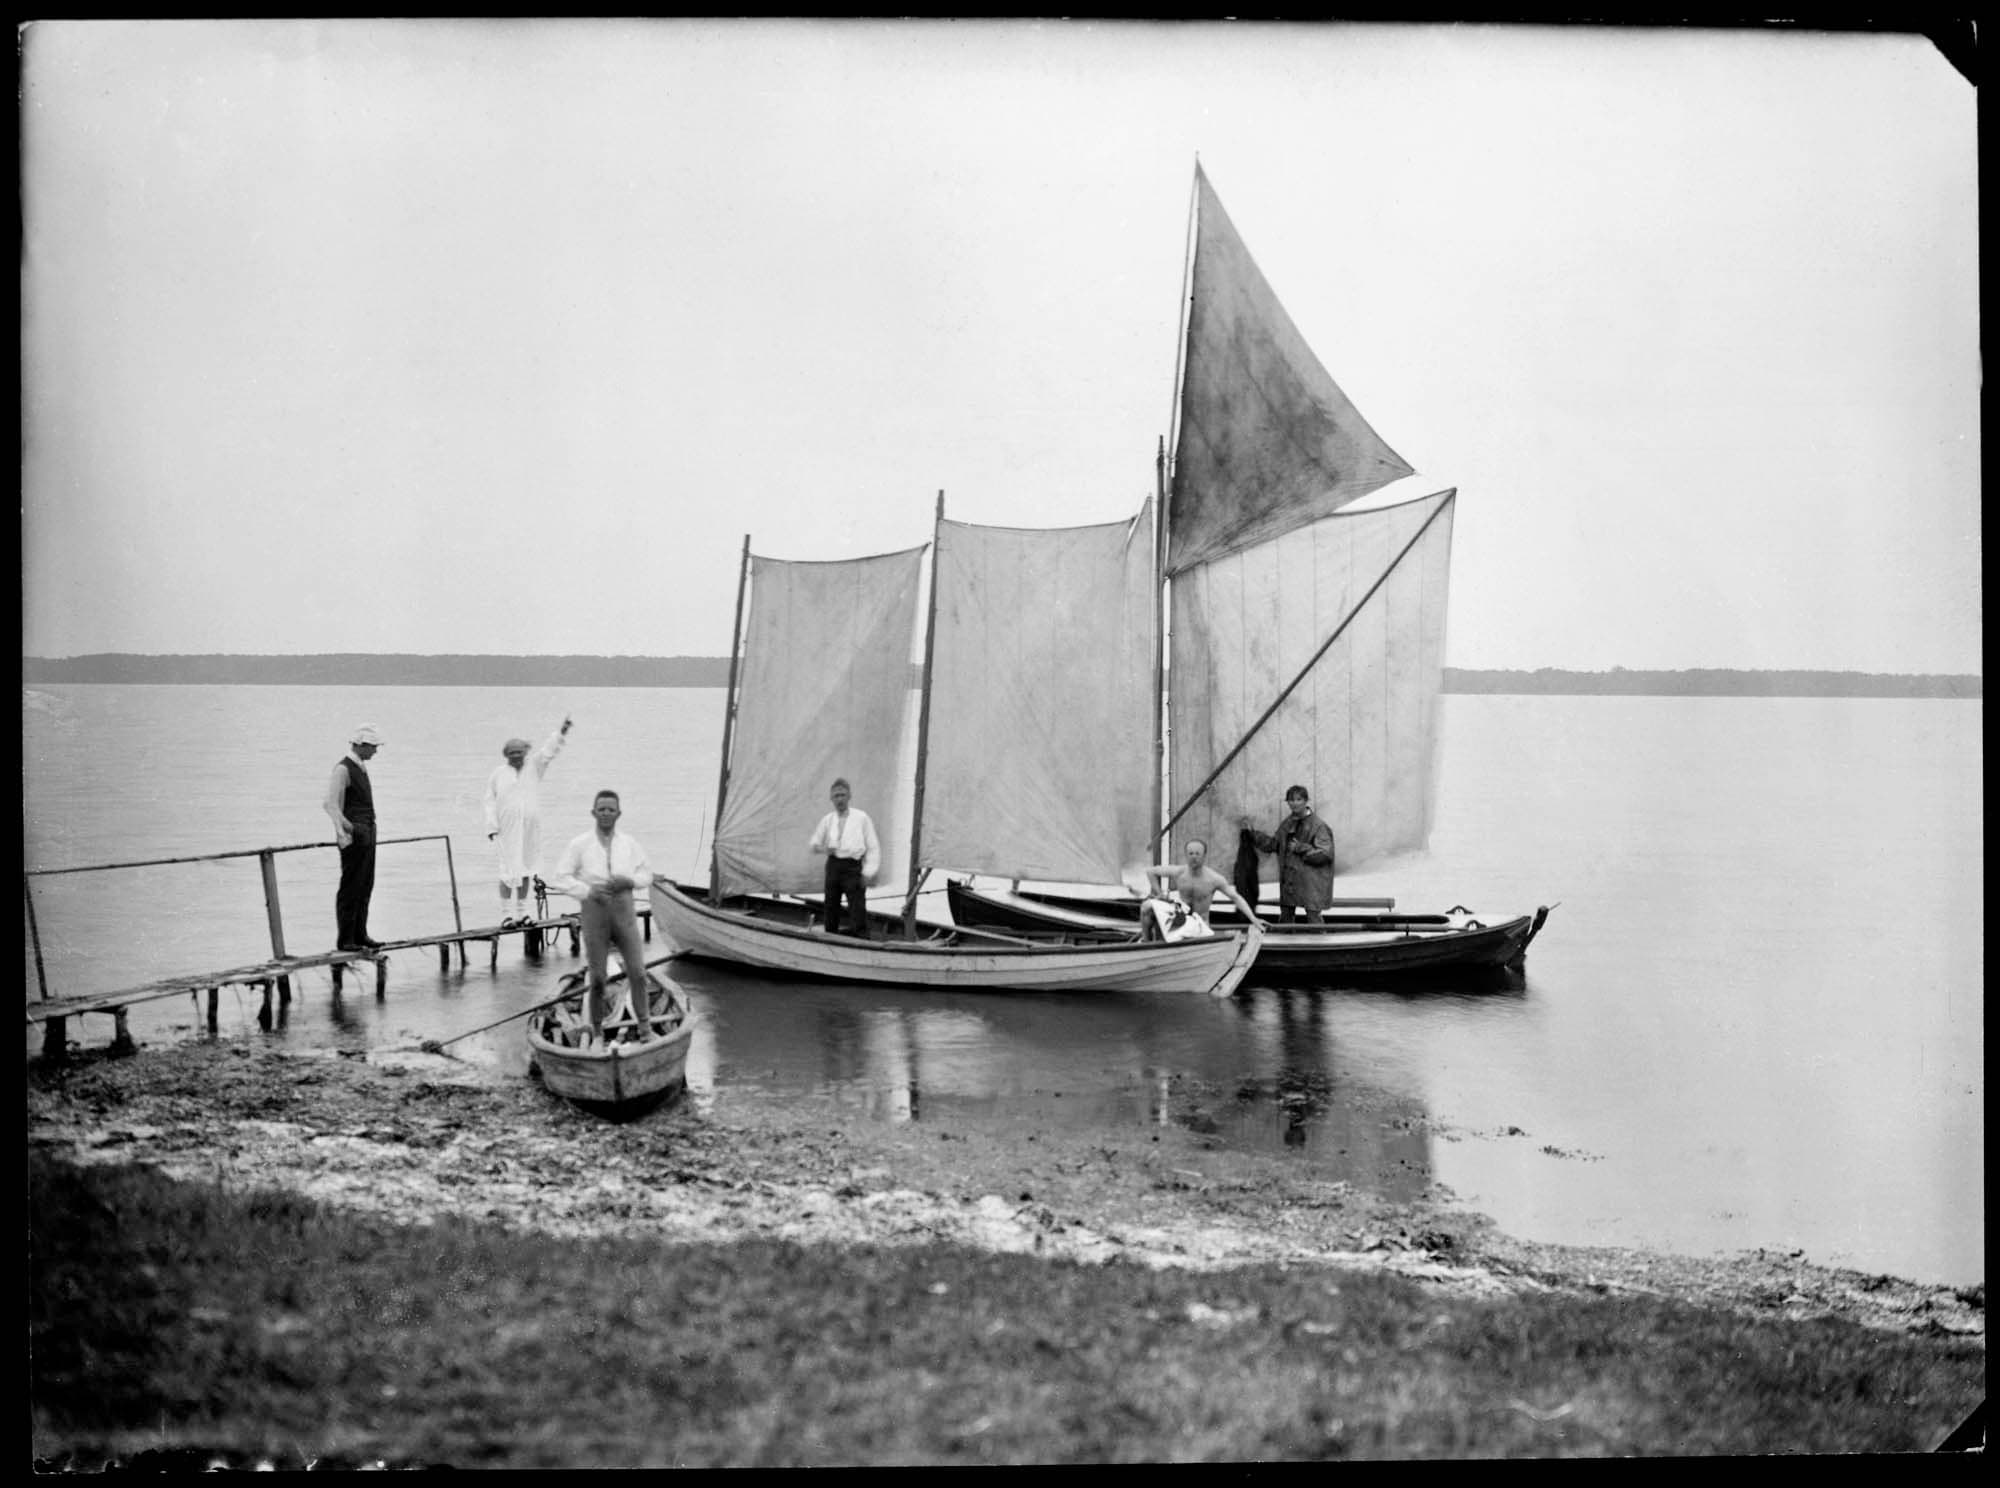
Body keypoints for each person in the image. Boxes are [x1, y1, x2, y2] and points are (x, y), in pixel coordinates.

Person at [548, 790, 655, 1045]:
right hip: (594, 912)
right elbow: (560, 877)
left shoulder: (628, 843)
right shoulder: (580, 844)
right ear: (593, 813)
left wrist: (629, 881)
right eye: (602, 809)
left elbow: (647, 875)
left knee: (638, 972)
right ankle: (596, 1032)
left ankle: (645, 1029)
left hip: (624, 911)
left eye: (611, 809)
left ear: (619, 813)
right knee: (597, 978)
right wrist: (587, 891)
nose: (606, 813)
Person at [482, 715, 572, 927]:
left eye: (519, 752)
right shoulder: (498, 774)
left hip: (530, 827)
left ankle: (523, 913)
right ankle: (506, 915)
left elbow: (548, 752)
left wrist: (561, 732)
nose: (516, 756)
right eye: (512, 753)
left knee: (526, 869)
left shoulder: (534, 767)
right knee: (507, 871)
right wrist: (491, 826)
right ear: (506, 755)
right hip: (506, 829)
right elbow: (489, 800)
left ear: (525, 753)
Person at [324, 725, 384, 952]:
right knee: (351, 886)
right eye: (373, 747)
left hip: (367, 831)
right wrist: (347, 828)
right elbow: (330, 804)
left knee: (365, 884)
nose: (375, 751)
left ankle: (360, 934)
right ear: (361, 745)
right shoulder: (343, 769)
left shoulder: (360, 767)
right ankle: (346, 939)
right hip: (354, 835)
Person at [1241, 785, 1337, 924]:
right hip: (1290, 883)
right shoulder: (1287, 823)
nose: (1294, 803)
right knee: (1286, 919)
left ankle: (1319, 938)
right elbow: (1273, 844)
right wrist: (1252, 833)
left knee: (1314, 919)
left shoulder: (1318, 826)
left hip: (1311, 884)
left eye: (1298, 799)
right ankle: (1286, 937)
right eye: (1291, 800)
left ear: (1306, 801)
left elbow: (1326, 854)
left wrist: (1301, 848)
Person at [1141, 838, 1262, 938]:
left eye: (1197, 854)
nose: (1194, 857)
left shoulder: (1214, 879)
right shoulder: (1179, 872)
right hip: (1181, 919)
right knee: (1146, 906)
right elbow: (1151, 872)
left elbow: (1235, 897)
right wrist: (1159, 894)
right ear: (1186, 855)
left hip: (1200, 925)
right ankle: (1146, 942)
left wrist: (1253, 919)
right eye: (1191, 853)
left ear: (1204, 856)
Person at [807, 777, 879, 937]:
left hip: (853, 867)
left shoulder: (861, 818)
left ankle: (861, 941)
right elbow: (813, 845)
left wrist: (869, 872)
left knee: (857, 908)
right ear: (831, 798)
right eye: (836, 796)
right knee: (830, 906)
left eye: (843, 795)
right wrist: (825, 849)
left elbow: (873, 847)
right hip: (833, 866)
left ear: (849, 796)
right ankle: (829, 938)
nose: (840, 799)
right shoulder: (827, 820)